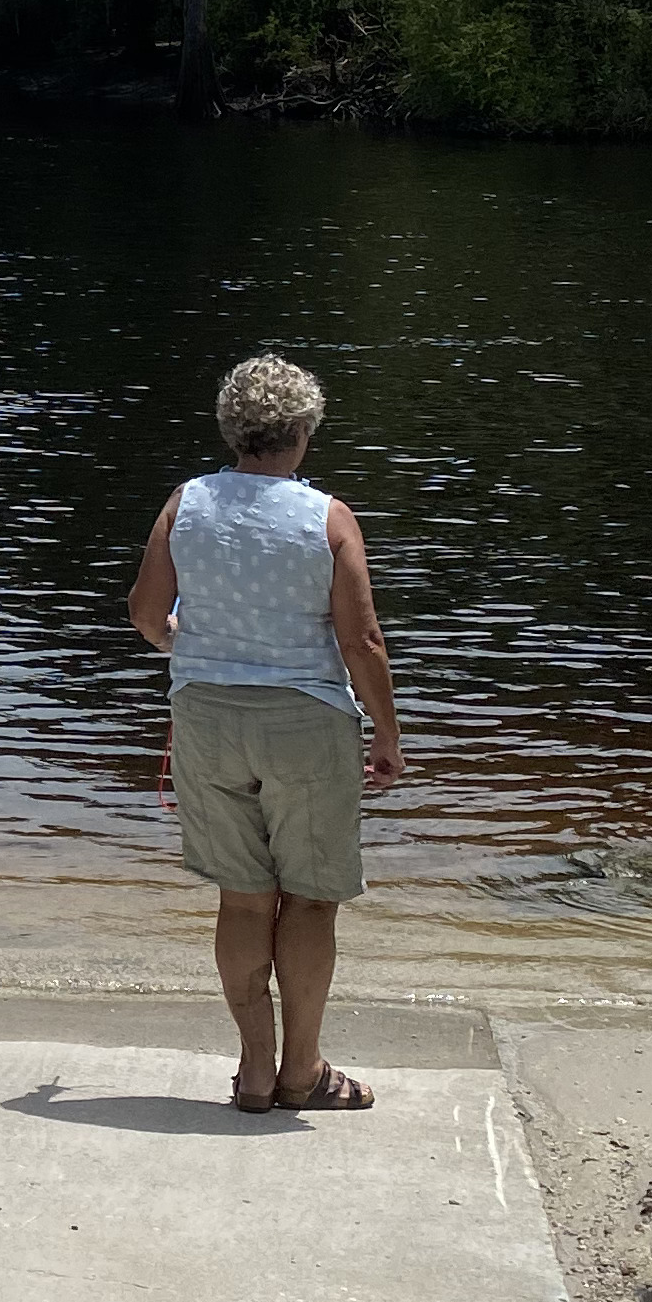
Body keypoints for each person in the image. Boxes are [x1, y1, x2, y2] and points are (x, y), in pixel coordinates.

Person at [127, 352, 402, 1115]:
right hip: (305, 722)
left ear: (231, 430)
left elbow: (149, 618)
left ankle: (253, 1071)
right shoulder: (328, 518)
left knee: (244, 900)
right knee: (311, 900)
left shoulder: (186, 503)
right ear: (303, 433)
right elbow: (362, 642)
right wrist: (387, 733)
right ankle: (302, 1072)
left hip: (208, 719)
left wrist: (192, 643)